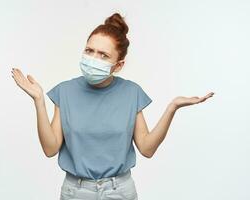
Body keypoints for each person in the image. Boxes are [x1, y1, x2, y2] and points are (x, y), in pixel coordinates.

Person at [11, 12, 214, 200]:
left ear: (119, 65)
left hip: (120, 191)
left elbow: (147, 148)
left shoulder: (131, 92)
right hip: (76, 191)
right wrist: (38, 100)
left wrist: (172, 108)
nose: (93, 59)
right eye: (89, 50)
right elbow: (50, 148)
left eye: (103, 55)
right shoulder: (65, 92)